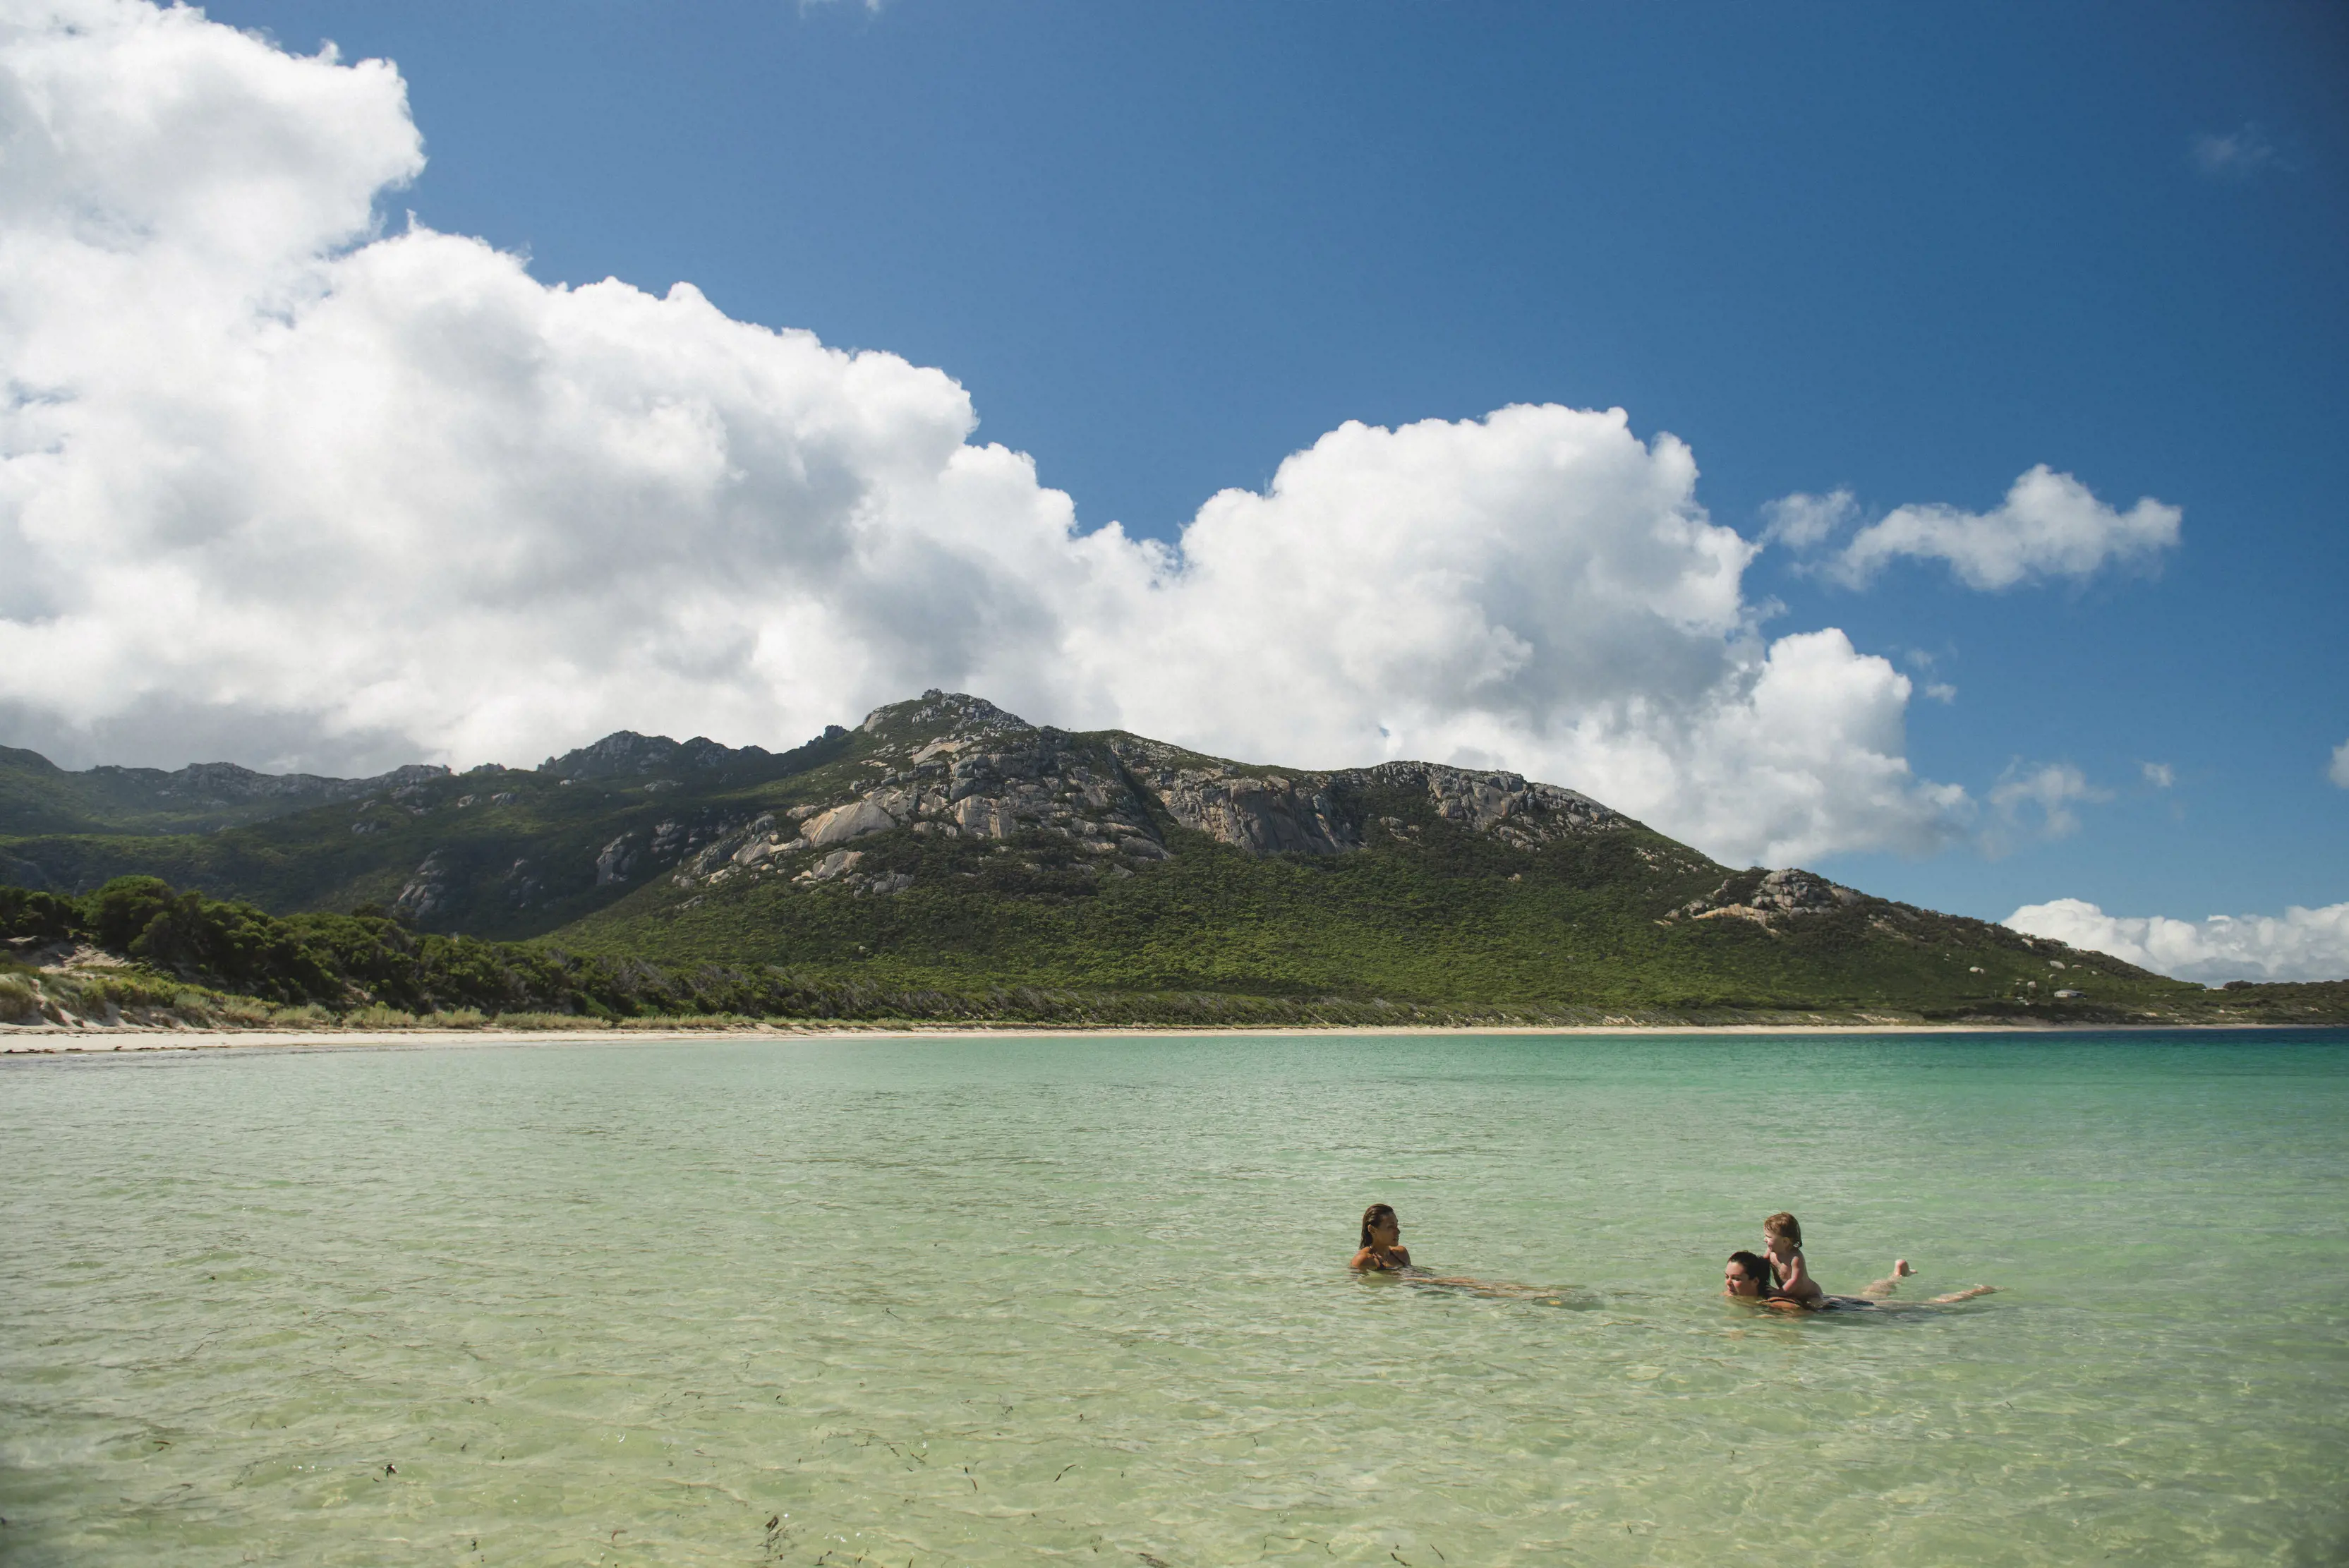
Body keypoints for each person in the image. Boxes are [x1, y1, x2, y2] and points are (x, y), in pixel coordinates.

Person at [1351, 1203, 1412, 1271]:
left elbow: (1413, 1275)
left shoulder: (1401, 1254)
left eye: (1396, 1225)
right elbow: (1353, 1281)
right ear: (1372, 1230)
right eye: (1390, 1227)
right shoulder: (1363, 1260)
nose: (1398, 1231)